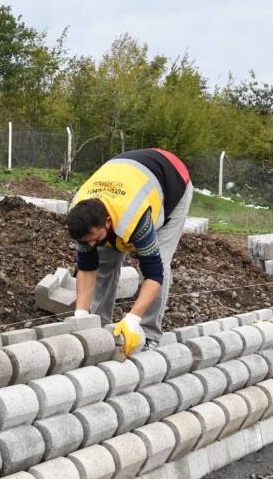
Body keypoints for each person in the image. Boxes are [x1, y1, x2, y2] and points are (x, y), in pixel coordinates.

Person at [66, 148, 193, 357]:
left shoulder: (135, 218)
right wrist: (81, 315)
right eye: (85, 241)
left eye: (95, 238)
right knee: (104, 260)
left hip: (172, 181)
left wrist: (132, 319)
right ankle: (100, 329)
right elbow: (87, 268)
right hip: (126, 174)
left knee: (159, 260)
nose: (90, 244)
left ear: (108, 221)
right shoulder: (81, 216)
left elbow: (154, 274)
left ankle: (149, 334)